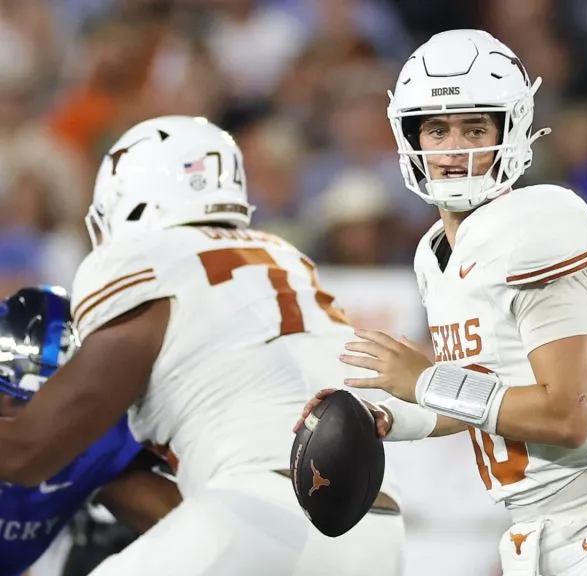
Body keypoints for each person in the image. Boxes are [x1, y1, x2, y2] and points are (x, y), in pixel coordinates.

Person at [300, 29, 587, 576]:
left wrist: (422, 380)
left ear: (510, 130)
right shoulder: (434, 255)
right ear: (411, 139)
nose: (454, 148)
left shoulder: (542, 224)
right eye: (437, 129)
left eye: (473, 127)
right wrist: (388, 418)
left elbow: (567, 413)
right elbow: (489, 398)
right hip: (535, 536)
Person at [0, 116, 404, 575]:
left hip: (257, 510)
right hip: (371, 528)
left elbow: (26, 454)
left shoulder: (142, 262)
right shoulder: (286, 257)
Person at [0, 286, 180, 576]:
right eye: (16, 399)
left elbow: (187, 526)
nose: (28, 416)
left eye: (35, 402)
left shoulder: (98, 441)